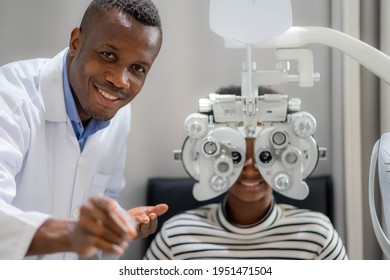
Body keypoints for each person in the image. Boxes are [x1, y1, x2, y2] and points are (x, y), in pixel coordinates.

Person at [0, 0, 168, 260]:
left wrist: (113, 225)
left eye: (137, 69)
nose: (120, 81)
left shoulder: (118, 113)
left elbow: (106, 195)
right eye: (108, 55)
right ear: (76, 42)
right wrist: (72, 234)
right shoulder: (10, 99)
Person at [144, 86, 348, 260]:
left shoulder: (317, 236)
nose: (250, 168)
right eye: (235, 156)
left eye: (265, 155)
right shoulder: (175, 237)